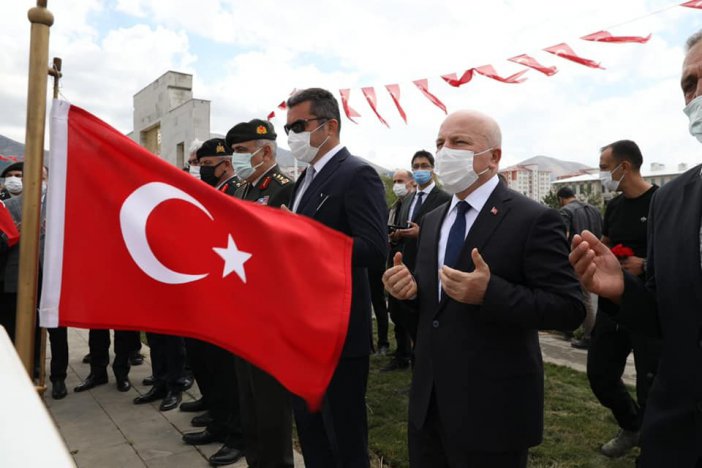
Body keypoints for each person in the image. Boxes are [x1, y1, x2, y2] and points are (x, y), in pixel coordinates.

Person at [383, 109, 584, 467]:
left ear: (493, 157)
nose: (445, 152)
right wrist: (409, 293)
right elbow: (434, 310)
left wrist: (491, 293)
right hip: (429, 407)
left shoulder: (533, 218)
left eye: (459, 142)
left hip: (493, 411)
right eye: (440, 143)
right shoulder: (432, 220)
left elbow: (568, 309)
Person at [570, 29, 702, 467]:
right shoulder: (675, 199)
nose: (696, 93)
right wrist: (619, 288)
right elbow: (668, 316)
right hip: (678, 438)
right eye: (689, 83)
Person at [286, 87, 387, 468]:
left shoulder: (356, 174)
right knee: (311, 432)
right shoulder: (304, 180)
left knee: (343, 435)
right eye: (287, 127)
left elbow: (373, 248)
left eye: (300, 125)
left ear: (330, 125)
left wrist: (306, 247)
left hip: (339, 330)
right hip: (303, 326)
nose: (292, 135)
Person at [577, 140, 661, 458]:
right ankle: (632, 423)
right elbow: (608, 240)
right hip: (615, 302)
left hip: (650, 304)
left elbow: (680, 251)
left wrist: (645, 264)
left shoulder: (660, 201)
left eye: (602, 166)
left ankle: (653, 445)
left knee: (649, 381)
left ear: (623, 166)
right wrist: (596, 250)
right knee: (599, 372)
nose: (600, 173)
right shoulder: (614, 206)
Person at [219, 118, 295, 468]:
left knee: (270, 408)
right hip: (241, 312)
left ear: (266, 151)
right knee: (247, 402)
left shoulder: (284, 189)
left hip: (270, 316)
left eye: (240, 152)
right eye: (233, 152)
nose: (235, 158)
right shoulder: (239, 190)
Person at [383, 151, 450, 372]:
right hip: (403, 263)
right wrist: (396, 235)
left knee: (423, 321)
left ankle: (422, 364)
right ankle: (403, 355)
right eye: (416, 166)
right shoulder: (408, 199)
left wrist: (422, 233)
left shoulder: (444, 199)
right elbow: (401, 225)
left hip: (427, 268)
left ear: (432, 169)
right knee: (400, 313)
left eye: (424, 166)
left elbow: (446, 235)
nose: (420, 170)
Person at [556, 186, 603, 349]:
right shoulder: (594, 210)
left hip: (577, 258)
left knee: (582, 297)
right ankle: (576, 329)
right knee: (594, 297)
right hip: (596, 257)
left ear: (561, 199)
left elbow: (564, 236)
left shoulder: (565, 211)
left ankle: (589, 336)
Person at [380, 169, 416, 356]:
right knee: (394, 309)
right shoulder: (395, 206)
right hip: (394, 257)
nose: (397, 185)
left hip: (411, 262)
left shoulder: (413, 204)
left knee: (407, 310)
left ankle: (408, 351)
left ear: (411, 183)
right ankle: (401, 350)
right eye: (394, 181)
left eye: (400, 181)